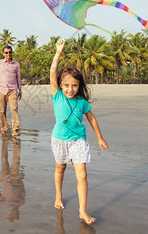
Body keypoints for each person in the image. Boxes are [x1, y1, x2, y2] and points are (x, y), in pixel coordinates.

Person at [50, 39, 109, 225]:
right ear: (60, 85)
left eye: (74, 85)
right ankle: (58, 195)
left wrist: (100, 137)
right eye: (66, 85)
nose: (70, 89)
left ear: (79, 85)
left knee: (82, 175)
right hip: (59, 140)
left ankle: (83, 211)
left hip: (78, 141)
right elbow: (52, 71)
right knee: (60, 168)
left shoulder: (82, 101)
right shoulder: (57, 95)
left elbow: (91, 118)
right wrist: (59, 51)